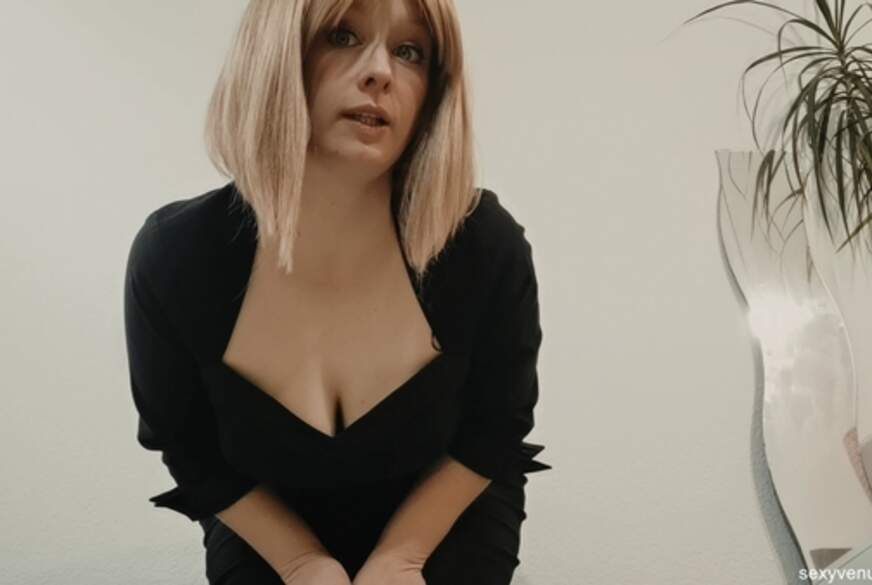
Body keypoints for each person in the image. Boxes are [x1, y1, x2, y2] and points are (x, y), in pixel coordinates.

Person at [122, 0, 551, 583]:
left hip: (445, 508)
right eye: (341, 36)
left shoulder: (481, 245)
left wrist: (403, 556)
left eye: (410, 51)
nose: (380, 72)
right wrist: (300, 562)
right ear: (272, 56)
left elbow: (496, 426)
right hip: (266, 517)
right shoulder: (176, 258)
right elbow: (189, 446)